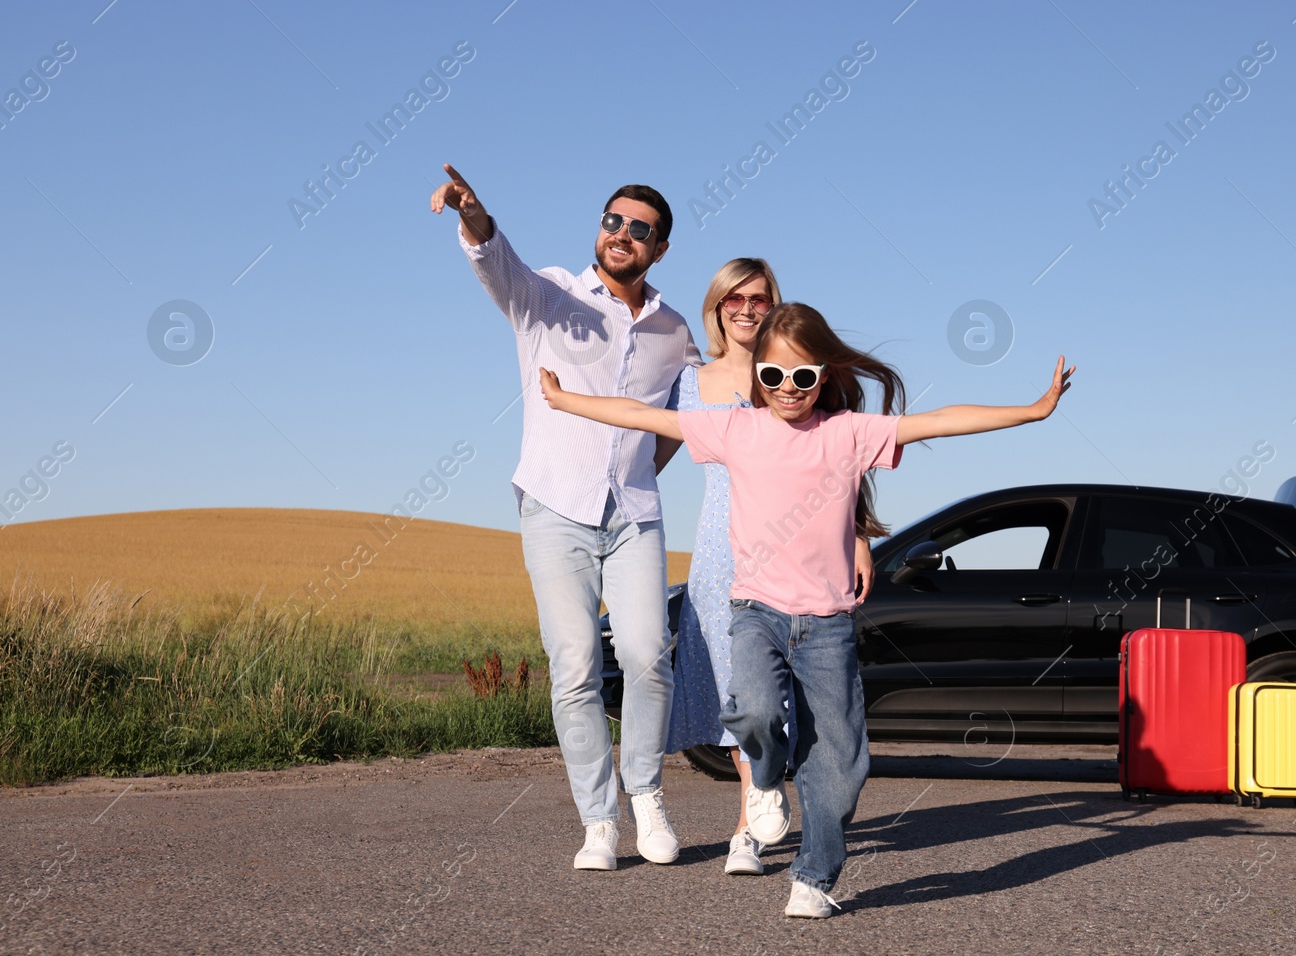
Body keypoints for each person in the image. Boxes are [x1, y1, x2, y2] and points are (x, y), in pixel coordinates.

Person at [539, 302, 1075, 916]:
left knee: (838, 760)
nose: (788, 389)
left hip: (826, 626)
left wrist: (1033, 410)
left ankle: (813, 879)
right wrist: (567, 400)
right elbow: (640, 414)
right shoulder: (734, 430)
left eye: (802, 376)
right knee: (756, 711)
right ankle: (765, 780)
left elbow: (938, 421)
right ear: (756, 378)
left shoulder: (848, 432)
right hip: (756, 613)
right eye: (772, 376)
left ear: (823, 375)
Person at [430, 164, 697, 872]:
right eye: (614, 221)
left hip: (634, 514)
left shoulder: (674, 331)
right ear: (600, 228)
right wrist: (474, 214)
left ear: (659, 249)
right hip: (555, 508)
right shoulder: (548, 295)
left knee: (646, 653)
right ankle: (599, 821)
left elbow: (689, 416)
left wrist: (644, 467)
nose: (622, 235)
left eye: (640, 229)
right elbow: (496, 262)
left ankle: (647, 797)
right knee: (575, 663)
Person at [661, 261, 875, 876]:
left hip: (803, 552)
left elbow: (835, 457)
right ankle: (750, 823)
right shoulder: (692, 382)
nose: (747, 309)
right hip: (722, 550)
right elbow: (652, 452)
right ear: (717, 308)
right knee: (743, 691)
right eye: (734, 299)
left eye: (759, 298)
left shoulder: (793, 373)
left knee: (796, 698)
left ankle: (763, 821)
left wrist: (858, 536)